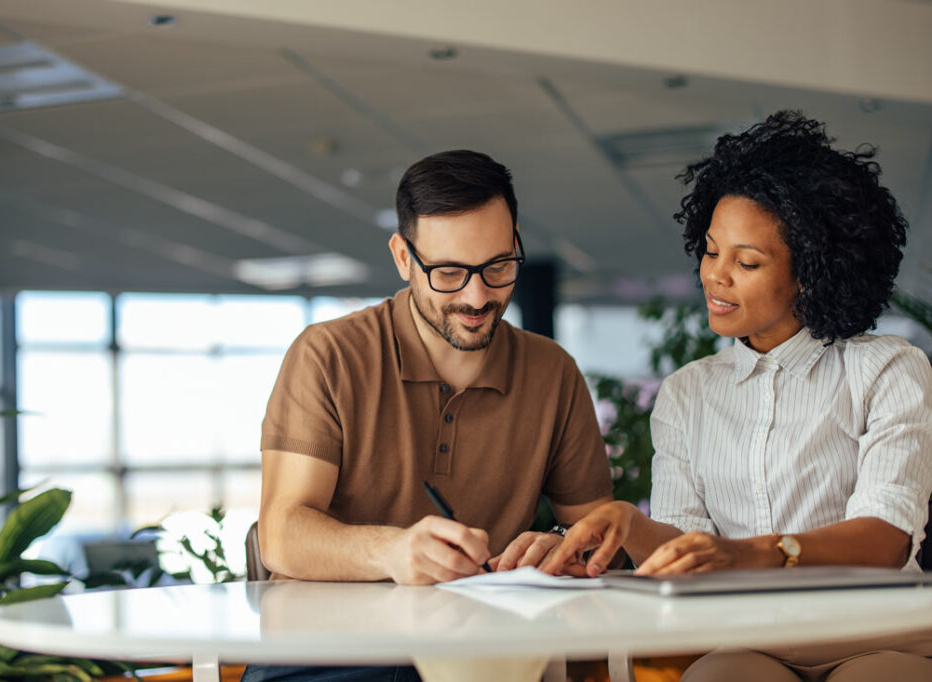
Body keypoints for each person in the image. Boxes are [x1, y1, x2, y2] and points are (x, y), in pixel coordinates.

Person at [543, 111, 932, 681]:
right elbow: (685, 550)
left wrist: (751, 553)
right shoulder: (686, 394)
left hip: (875, 636)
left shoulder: (886, 368)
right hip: (750, 641)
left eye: (747, 261)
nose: (714, 276)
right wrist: (630, 523)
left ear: (810, 274)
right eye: (710, 250)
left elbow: (885, 538)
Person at [245, 150, 613, 681]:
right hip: (328, 653)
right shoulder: (328, 354)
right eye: (448, 272)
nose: (478, 295)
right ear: (402, 257)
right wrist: (391, 551)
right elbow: (281, 533)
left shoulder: (552, 372)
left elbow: (598, 531)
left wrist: (562, 545)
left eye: (498, 267)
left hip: (477, 654)